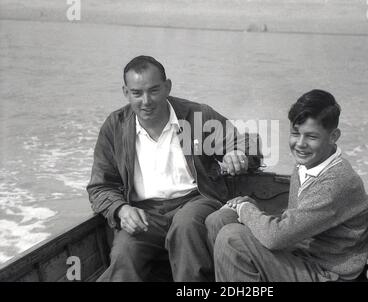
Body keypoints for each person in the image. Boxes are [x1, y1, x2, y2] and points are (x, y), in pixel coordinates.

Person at [86, 55, 258, 282]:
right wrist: (121, 210)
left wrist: (237, 154)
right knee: (125, 251)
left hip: (196, 201)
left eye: (154, 90)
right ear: (126, 92)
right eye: (137, 93)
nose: (146, 101)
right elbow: (100, 186)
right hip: (144, 212)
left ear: (167, 87)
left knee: (186, 225)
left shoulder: (198, 116)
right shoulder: (114, 126)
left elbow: (244, 143)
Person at [206, 89, 368, 282]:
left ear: (333, 136)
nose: (300, 144)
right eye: (295, 133)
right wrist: (245, 205)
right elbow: (291, 224)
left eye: (311, 137)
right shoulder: (307, 164)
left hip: (326, 272)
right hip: (299, 253)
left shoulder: (336, 183)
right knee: (219, 220)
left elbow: (275, 237)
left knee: (232, 238)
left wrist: (245, 208)